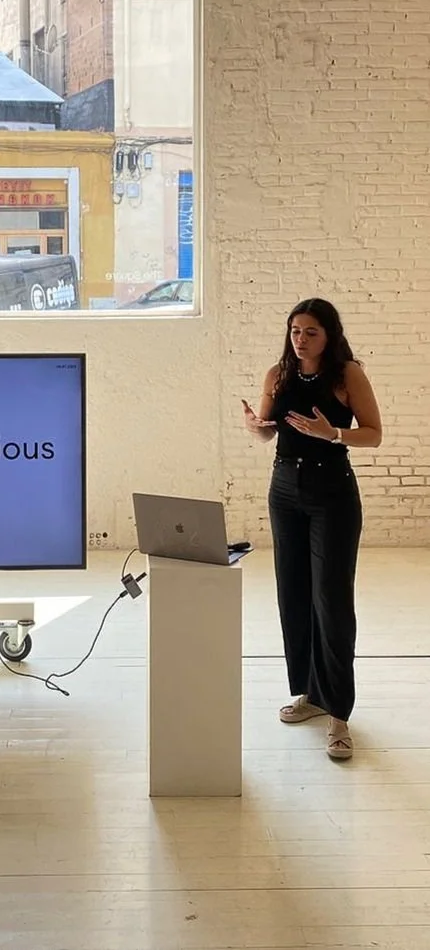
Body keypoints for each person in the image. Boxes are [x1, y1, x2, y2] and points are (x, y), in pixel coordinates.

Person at [242, 298, 382, 760]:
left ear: (329, 335)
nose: (300, 339)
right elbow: (268, 431)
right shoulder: (277, 375)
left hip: (333, 493)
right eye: (295, 330)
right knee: (294, 595)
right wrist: (254, 426)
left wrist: (334, 434)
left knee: (332, 600)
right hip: (284, 489)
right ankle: (310, 693)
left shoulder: (347, 375)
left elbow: (374, 433)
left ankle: (339, 712)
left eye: (310, 332)